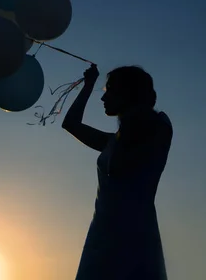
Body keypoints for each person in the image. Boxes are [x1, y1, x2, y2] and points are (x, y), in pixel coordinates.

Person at [62, 64, 173, 280]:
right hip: (102, 237)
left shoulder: (159, 126)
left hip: (132, 236)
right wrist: (88, 85)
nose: (103, 99)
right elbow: (71, 124)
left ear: (128, 91)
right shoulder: (112, 141)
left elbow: (120, 166)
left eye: (109, 90)